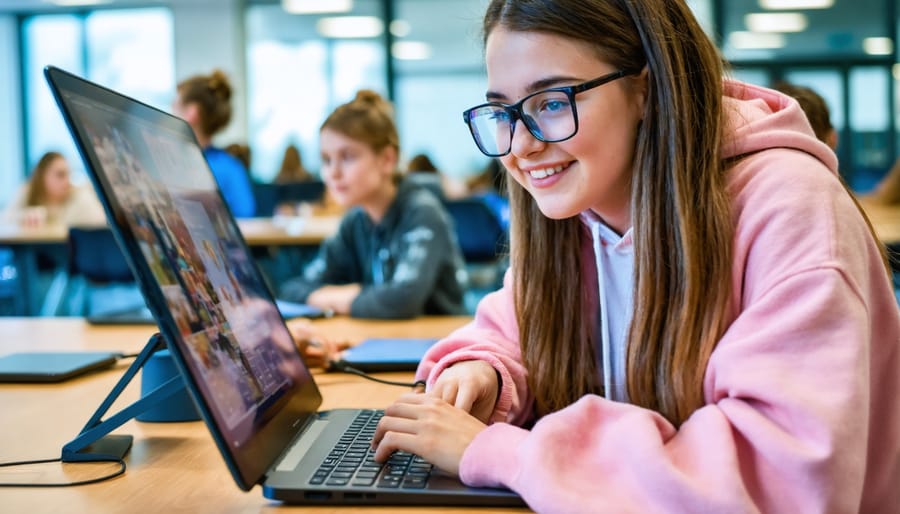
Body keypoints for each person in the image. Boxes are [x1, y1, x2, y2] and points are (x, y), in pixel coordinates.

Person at [370, 1, 900, 511]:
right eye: (504, 113)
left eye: (552, 103)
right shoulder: (589, 204)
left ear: (646, 89)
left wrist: (500, 453)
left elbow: (780, 482)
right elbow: (513, 326)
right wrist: (485, 371)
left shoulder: (791, 208)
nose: (519, 147)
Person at [279, 90, 467, 319]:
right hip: (383, 341)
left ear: (387, 159)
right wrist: (350, 295)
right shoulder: (355, 220)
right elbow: (293, 289)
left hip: (438, 347)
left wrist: (339, 296)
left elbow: (402, 301)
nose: (333, 172)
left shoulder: (423, 212)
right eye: (326, 160)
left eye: (348, 157)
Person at [173, 70, 255, 218]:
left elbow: (245, 216)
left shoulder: (174, 164)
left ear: (192, 113)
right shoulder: (231, 167)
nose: (171, 112)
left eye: (175, 107)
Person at [2, 151, 104, 227]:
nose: (67, 181)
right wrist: (22, 217)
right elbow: (4, 220)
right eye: (60, 175)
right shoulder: (27, 191)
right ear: (42, 176)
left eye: (69, 174)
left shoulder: (78, 195)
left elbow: (99, 222)